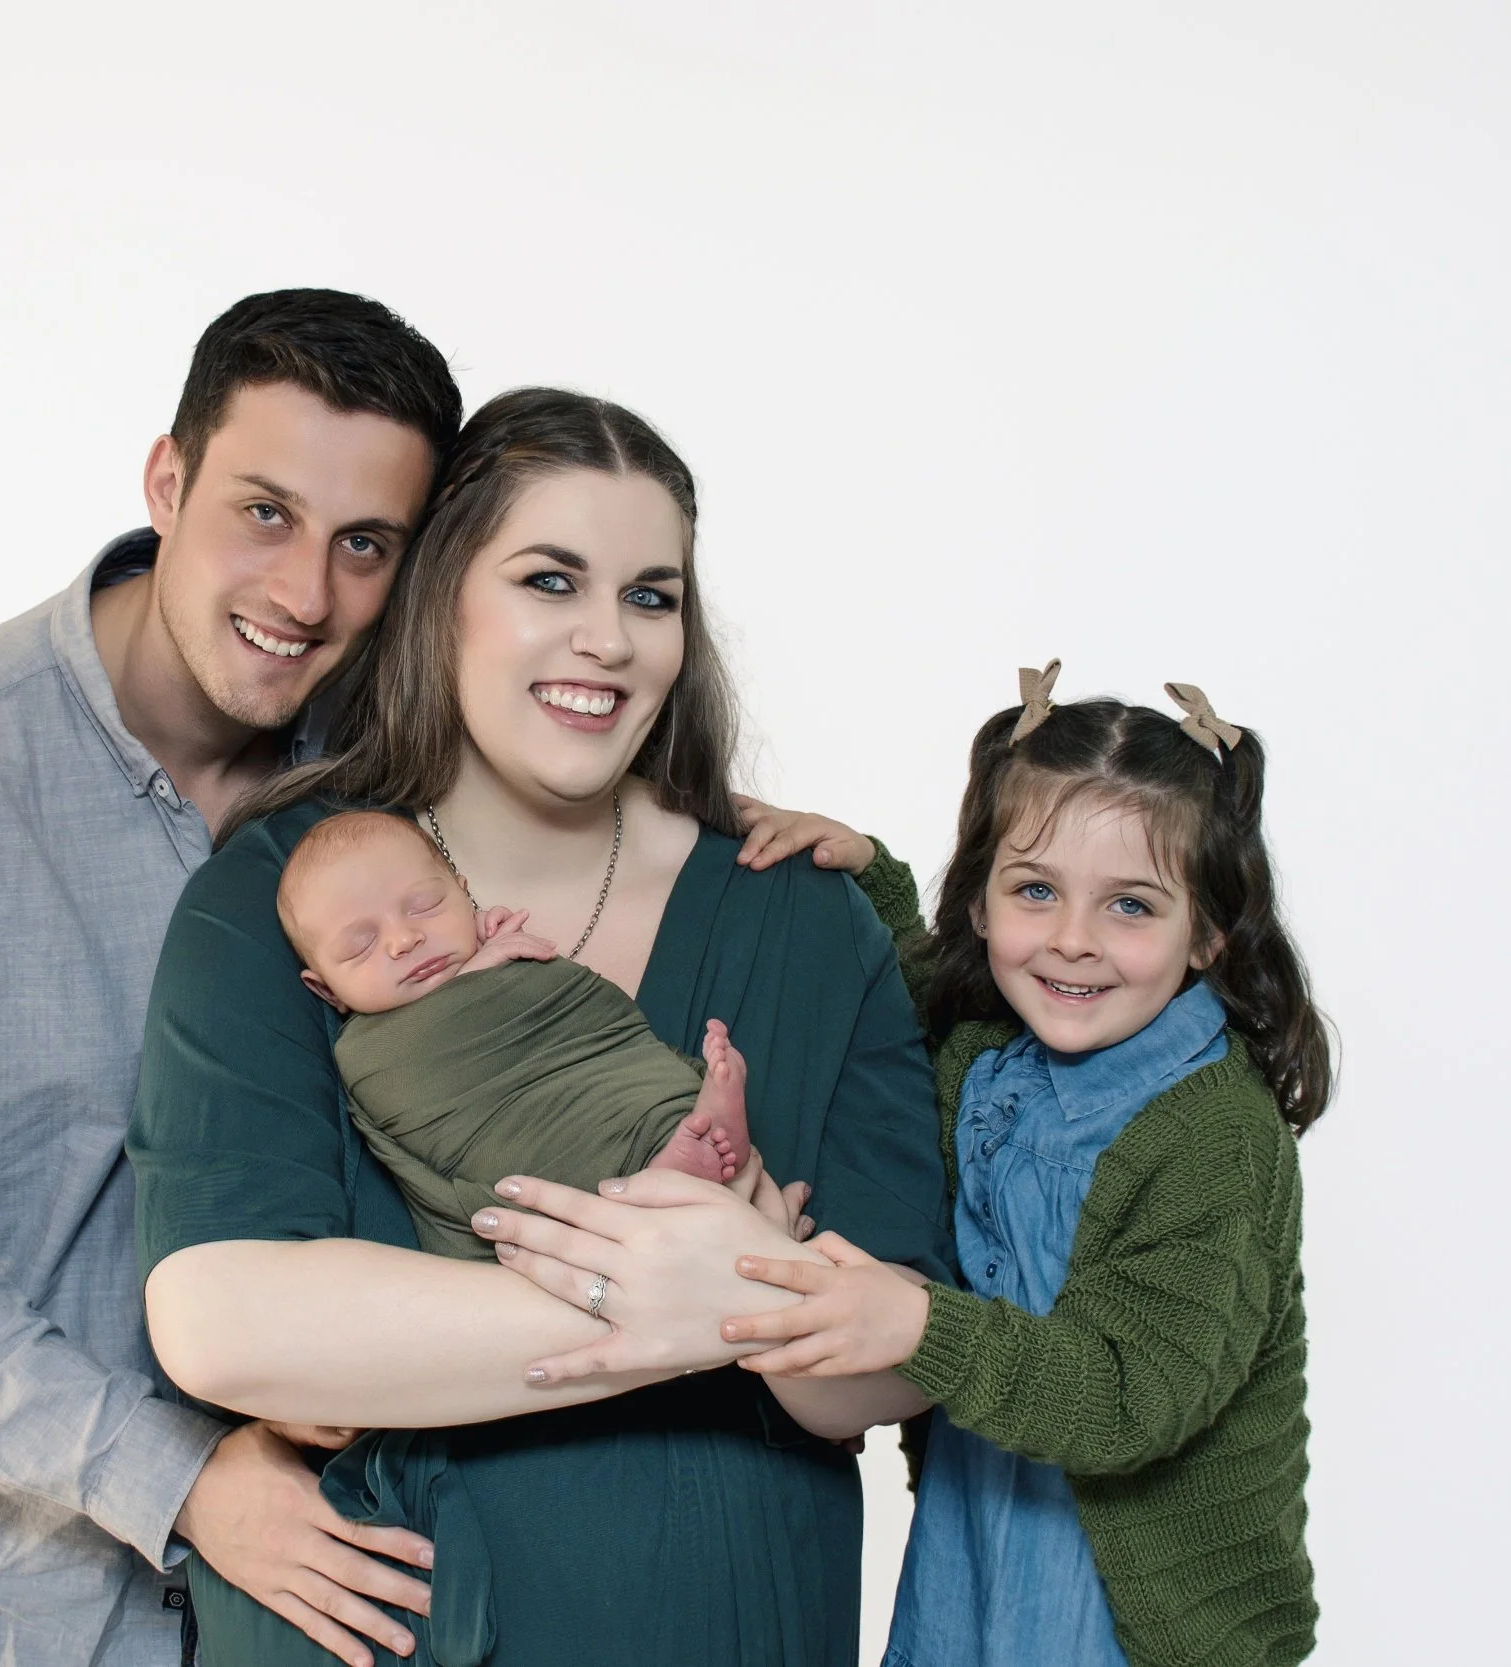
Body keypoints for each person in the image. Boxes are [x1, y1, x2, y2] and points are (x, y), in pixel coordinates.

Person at [128, 387, 953, 1667]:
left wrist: (436, 1329)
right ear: (444, 590)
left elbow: (899, 1356)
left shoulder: (802, 918)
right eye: (549, 579)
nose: (607, 639)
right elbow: (225, 1321)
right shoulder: (284, 901)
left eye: (649, 595)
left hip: (730, 1619)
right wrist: (726, 1295)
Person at [0, 289, 464, 1667]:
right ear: (168, 479)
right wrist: (184, 1479)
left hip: (328, 1588)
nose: (304, 594)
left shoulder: (397, 769)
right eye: (263, 511)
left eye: (365, 544)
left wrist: (757, 836)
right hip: (4, 1603)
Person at [716, 665, 1328, 1667]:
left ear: (1209, 934)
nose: (1071, 941)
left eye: (1130, 905)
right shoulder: (983, 1048)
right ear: (984, 898)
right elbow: (903, 972)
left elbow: (1133, 1394)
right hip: (976, 1556)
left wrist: (917, 1324)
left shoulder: (1213, 1134)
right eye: (1034, 889)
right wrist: (864, 871)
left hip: (1142, 1612)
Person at [276, 807, 754, 1257]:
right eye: (361, 945)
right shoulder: (370, 1053)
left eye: (426, 907)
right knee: (535, 1151)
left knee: (642, 1081)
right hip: (514, 1139)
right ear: (326, 990)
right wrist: (474, 976)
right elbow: (413, 1090)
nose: (405, 940)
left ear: (465, 896)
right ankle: (656, 1174)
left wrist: (488, 957)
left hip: (599, 1083)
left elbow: (600, 1035)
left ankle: (686, 1131)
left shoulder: (510, 956)